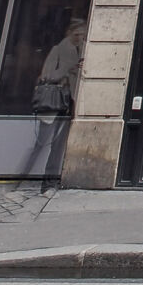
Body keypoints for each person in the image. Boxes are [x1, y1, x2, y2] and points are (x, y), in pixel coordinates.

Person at [29, 17, 86, 190]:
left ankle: (50, 180)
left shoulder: (83, 49)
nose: (79, 38)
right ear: (69, 33)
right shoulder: (58, 49)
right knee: (42, 142)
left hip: (69, 101)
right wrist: (69, 69)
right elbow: (47, 76)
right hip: (54, 101)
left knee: (58, 145)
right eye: (76, 34)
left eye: (82, 35)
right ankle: (25, 175)